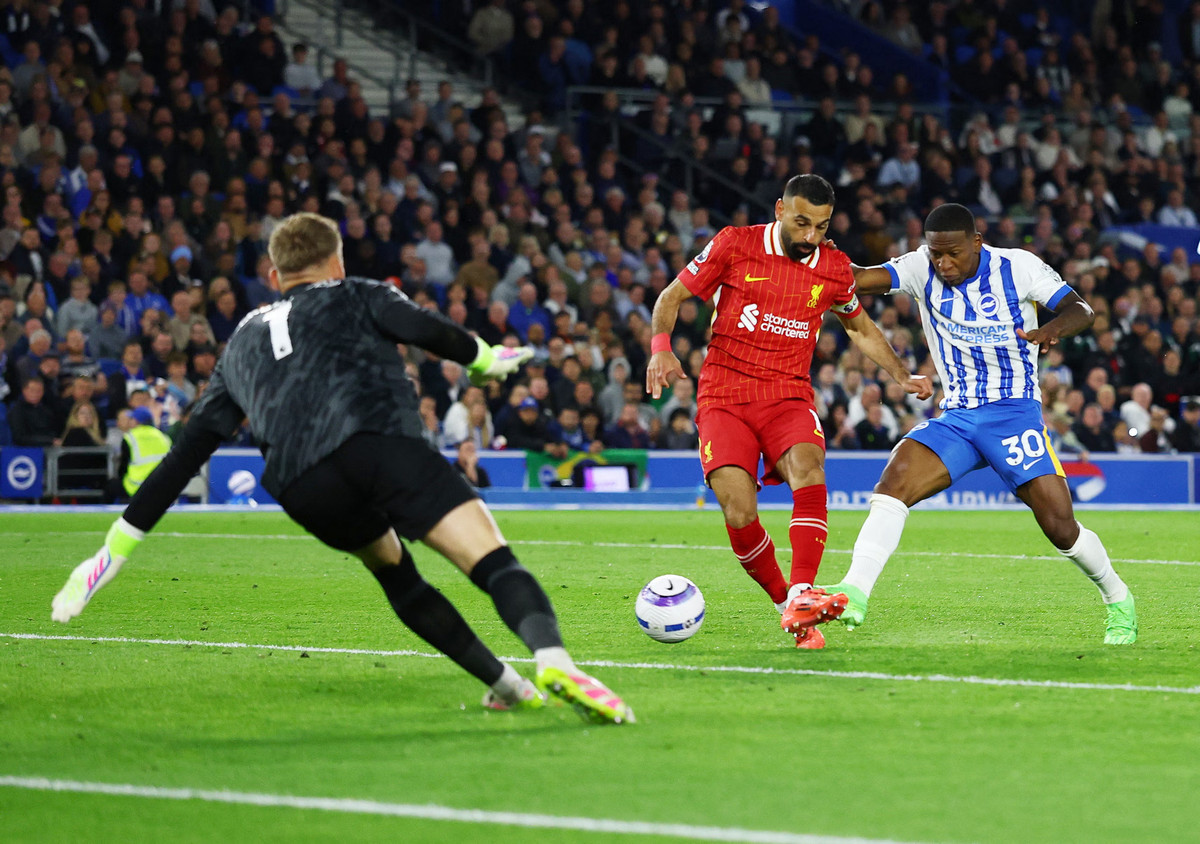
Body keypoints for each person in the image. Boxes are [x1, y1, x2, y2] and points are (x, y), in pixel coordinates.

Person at [52, 212, 633, 725]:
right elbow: (426, 329)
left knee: (396, 572)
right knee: (491, 559)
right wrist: (487, 359)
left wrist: (110, 553)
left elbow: (185, 455)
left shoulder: (239, 344)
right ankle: (553, 662)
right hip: (377, 441)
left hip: (303, 485)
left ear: (275, 277)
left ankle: (507, 687)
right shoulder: (355, 291)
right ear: (336, 260)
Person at [824, 203, 1137, 645]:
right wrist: (829, 259)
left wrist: (1053, 330)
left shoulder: (1019, 267)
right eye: (936, 254)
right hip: (958, 416)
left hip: (1013, 413)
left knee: (1060, 527)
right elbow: (858, 278)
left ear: (976, 242)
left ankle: (1118, 598)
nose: (943, 263)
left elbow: (1081, 309)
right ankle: (854, 591)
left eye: (952, 253)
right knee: (893, 483)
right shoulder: (919, 267)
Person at [646, 174, 931, 649]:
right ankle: (787, 605)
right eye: (801, 223)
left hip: (788, 395)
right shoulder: (734, 245)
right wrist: (660, 348)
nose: (810, 237)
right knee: (738, 511)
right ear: (779, 209)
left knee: (809, 470)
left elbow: (859, 328)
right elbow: (670, 297)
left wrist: (901, 375)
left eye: (820, 227)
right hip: (724, 395)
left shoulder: (834, 267)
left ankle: (803, 590)